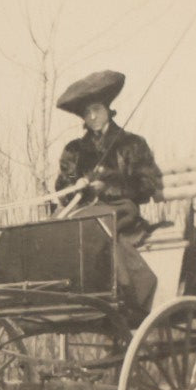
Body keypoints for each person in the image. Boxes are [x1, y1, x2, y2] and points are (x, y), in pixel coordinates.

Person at [53, 70, 164, 325]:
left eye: (96, 110)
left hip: (122, 209)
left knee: (95, 225)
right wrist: (76, 185)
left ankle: (128, 294)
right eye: (87, 113)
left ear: (107, 109)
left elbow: (146, 186)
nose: (92, 117)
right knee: (56, 225)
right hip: (83, 211)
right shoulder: (74, 150)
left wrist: (108, 188)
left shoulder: (132, 144)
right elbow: (62, 188)